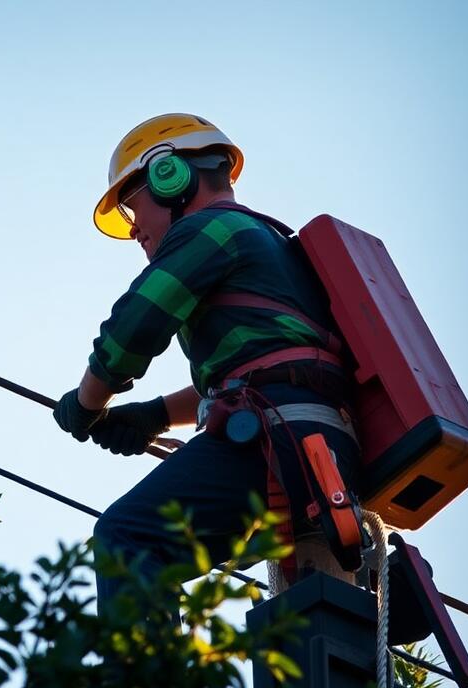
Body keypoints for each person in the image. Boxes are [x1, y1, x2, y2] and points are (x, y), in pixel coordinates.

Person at [52, 113, 362, 620]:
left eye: (134, 211)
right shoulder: (270, 243)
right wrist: (154, 414)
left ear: (169, 178)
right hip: (316, 441)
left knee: (128, 537)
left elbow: (135, 325)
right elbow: (266, 370)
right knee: (310, 627)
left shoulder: (210, 229)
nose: (135, 233)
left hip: (276, 439)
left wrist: (85, 404)